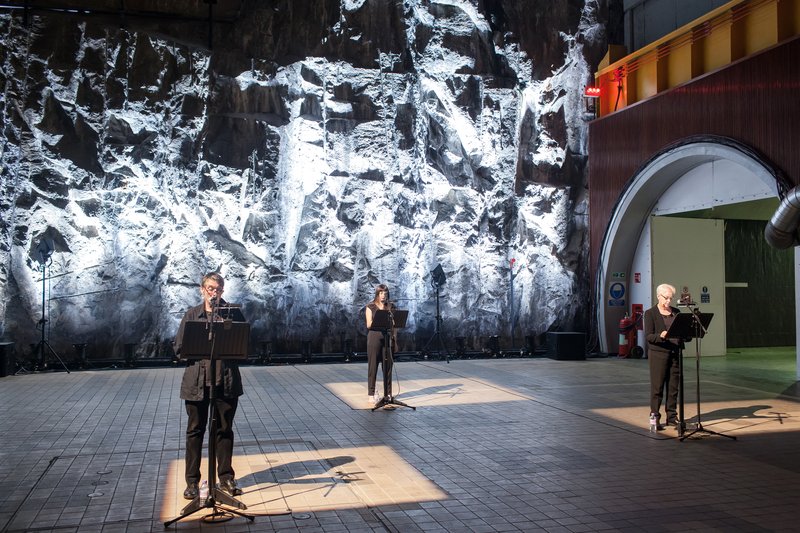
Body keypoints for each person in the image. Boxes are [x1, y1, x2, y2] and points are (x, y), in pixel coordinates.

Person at [173, 272, 244, 499]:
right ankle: (192, 482)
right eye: (211, 289)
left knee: (224, 430)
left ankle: (225, 478)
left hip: (226, 381)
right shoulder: (192, 315)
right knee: (195, 431)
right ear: (202, 289)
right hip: (197, 382)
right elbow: (178, 349)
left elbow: (244, 344)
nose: (215, 293)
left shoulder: (233, 313)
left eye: (219, 289)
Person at [644, 283, 682, 430]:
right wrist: (661, 336)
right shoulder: (650, 313)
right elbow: (648, 336)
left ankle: (672, 417)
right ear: (658, 296)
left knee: (673, 387)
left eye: (670, 299)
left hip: (674, 353)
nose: (668, 302)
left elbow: (683, 332)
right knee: (657, 387)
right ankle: (655, 417)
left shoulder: (676, 312)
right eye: (666, 298)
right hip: (658, 354)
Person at [365, 283, 398, 406]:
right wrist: (380, 318)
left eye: (385, 293)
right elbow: (369, 324)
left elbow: (395, 325)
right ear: (377, 294)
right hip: (374, 337)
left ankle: (388, 394)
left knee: (387, 367)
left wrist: (395, 339)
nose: (383, 295)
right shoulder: (370, 307)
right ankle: (371, 394)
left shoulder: (391, 307)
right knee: (373, 366)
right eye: (381, 293)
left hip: (387, 338)